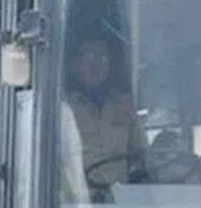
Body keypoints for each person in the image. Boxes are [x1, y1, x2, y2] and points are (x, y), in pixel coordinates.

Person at [61, 34, 147, 196]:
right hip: (80, 206)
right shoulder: (62, 109)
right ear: (74, 64)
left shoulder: (124, 106)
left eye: (102, 56)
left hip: (121, 202)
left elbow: (141, 155)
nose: (97, 63)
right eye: (89, 56)